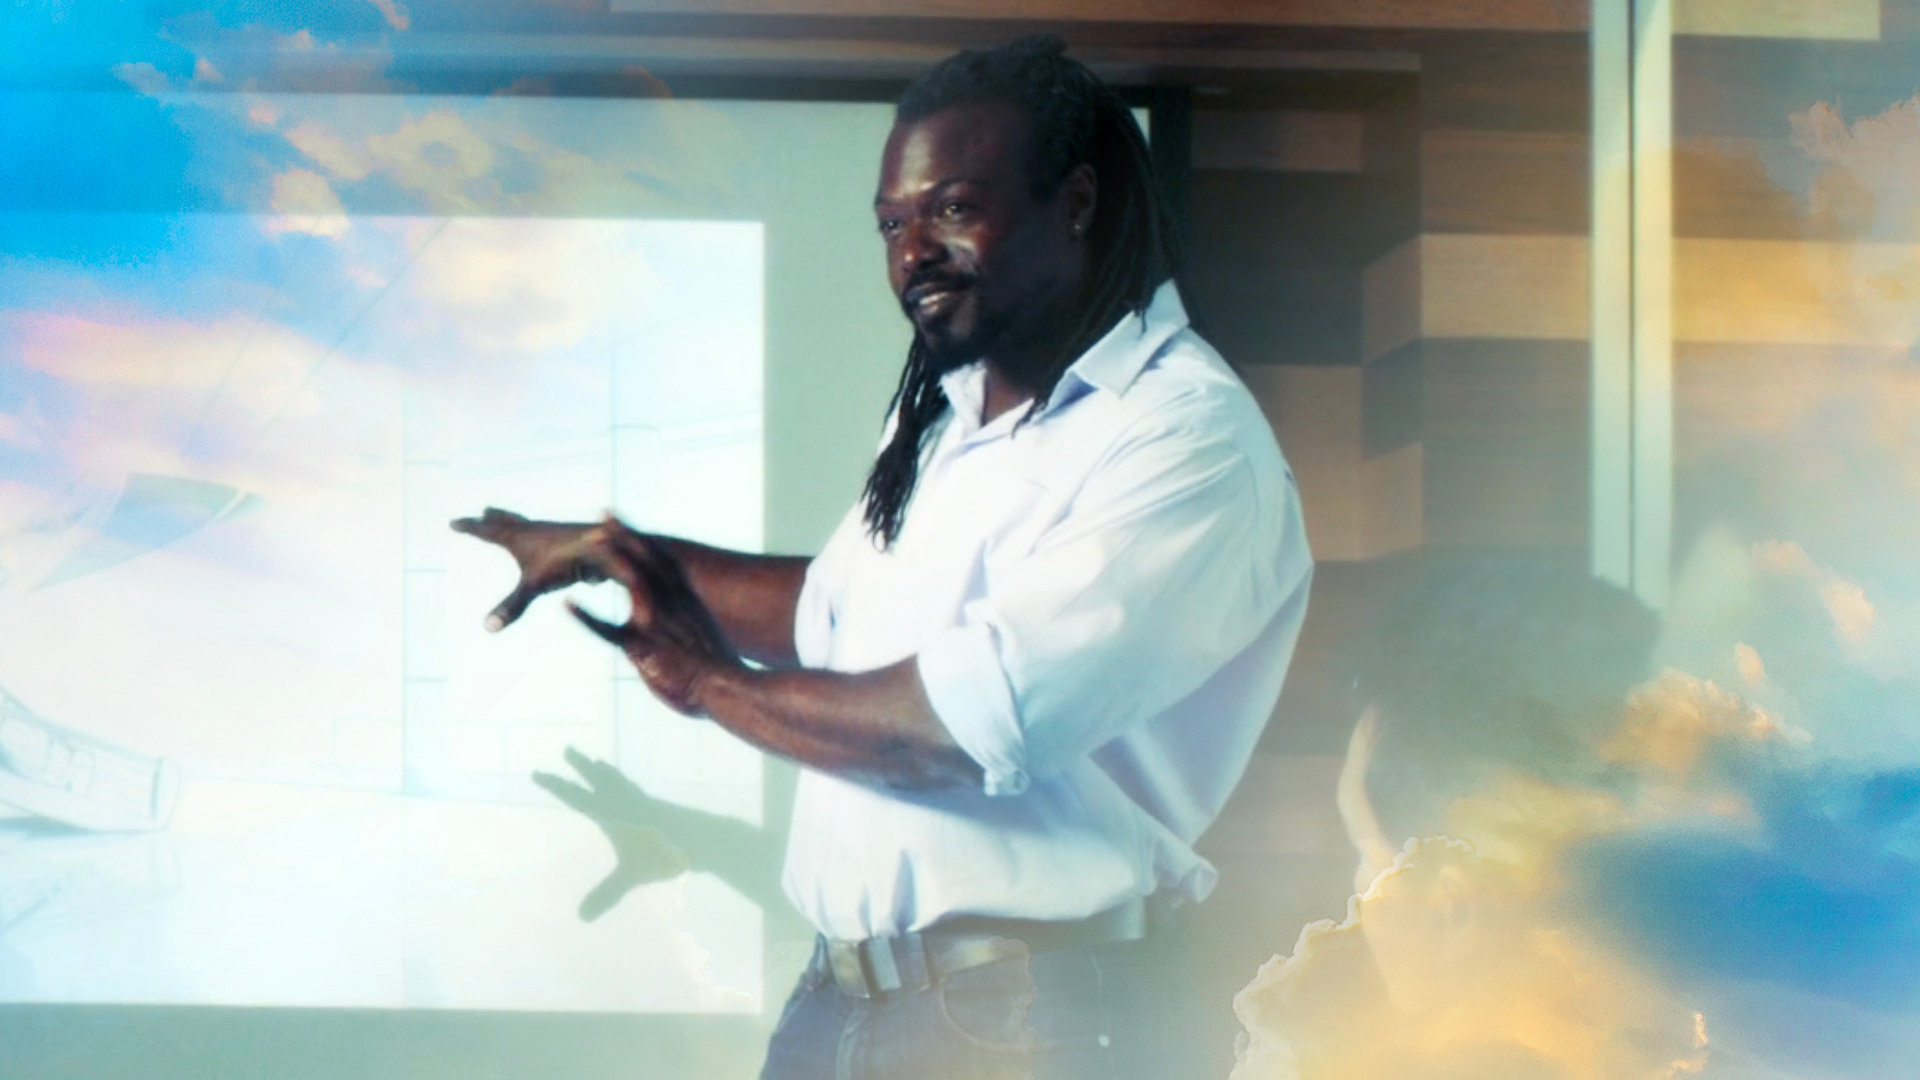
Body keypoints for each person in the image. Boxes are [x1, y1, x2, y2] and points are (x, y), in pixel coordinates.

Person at [454, 35, 1310, 1080]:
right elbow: (830, 613)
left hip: (1024, 1022)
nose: (913, 255)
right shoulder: (948, 413)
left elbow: (958, 729)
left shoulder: (1183, 435)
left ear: (1077, 203)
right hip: (846, 1002)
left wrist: (710, 684)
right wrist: (621, 557)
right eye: (893, 225)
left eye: (952, 209)